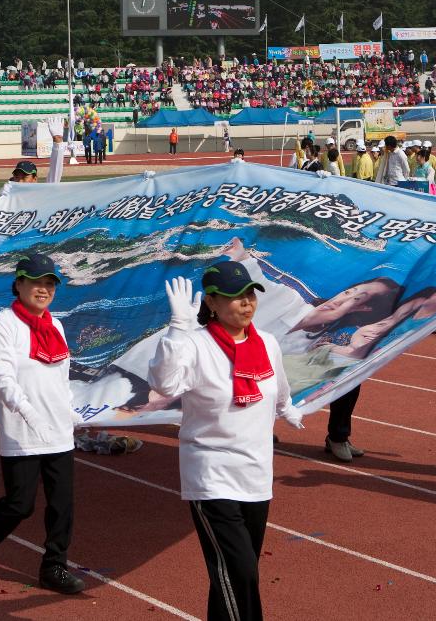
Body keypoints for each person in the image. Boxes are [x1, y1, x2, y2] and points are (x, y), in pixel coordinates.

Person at [149, 264, 303, 621]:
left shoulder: (266, 342)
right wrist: (175, 331)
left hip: (256, 475)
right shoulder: (194, 344)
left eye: (250, 295)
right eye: (235, 297)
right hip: (211, 475)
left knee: (232, 576)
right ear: (213, 302)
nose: (246, 304)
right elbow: (165, 385)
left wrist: (288, 408)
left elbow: (278, 388)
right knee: (240, 572)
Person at [0, 254, 85, 595]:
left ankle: (54, 566)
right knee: (21, 503)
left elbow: (63, 378)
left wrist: (71, 411)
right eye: (37, 282)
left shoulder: (56, 325)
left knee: (62, 504)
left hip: (58, 431)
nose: (44, 289)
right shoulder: (3, 324)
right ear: (19, 283)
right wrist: (24, 409)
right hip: (22, 430)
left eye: (50, 283)